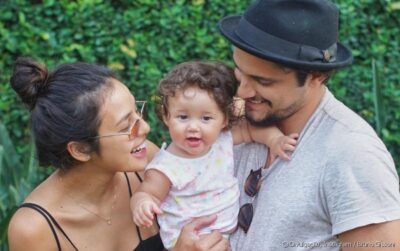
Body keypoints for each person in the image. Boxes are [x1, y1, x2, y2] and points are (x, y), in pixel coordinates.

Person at [217, 0, 400, 250]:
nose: (243, 91)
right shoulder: (228, 117)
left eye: (263, 81)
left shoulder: (353, 154)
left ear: (316, 76)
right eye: (239, 71)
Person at [7, 58, 231, 251]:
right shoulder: (34, 229)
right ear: (80, 149)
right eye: (127, 126)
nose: (145, 129)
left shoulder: (146, 166)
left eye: (138, 111)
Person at [130, 61, 298, 250]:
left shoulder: (222, 141)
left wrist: (275, 140)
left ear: (224, 119)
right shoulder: (166, 167)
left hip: (228, 236)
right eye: (183, 117)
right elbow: (147, 192)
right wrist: (143, 203)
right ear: (167, 116)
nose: (193, 127)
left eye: (206, 118)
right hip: (189, 242)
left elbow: (252, 131)